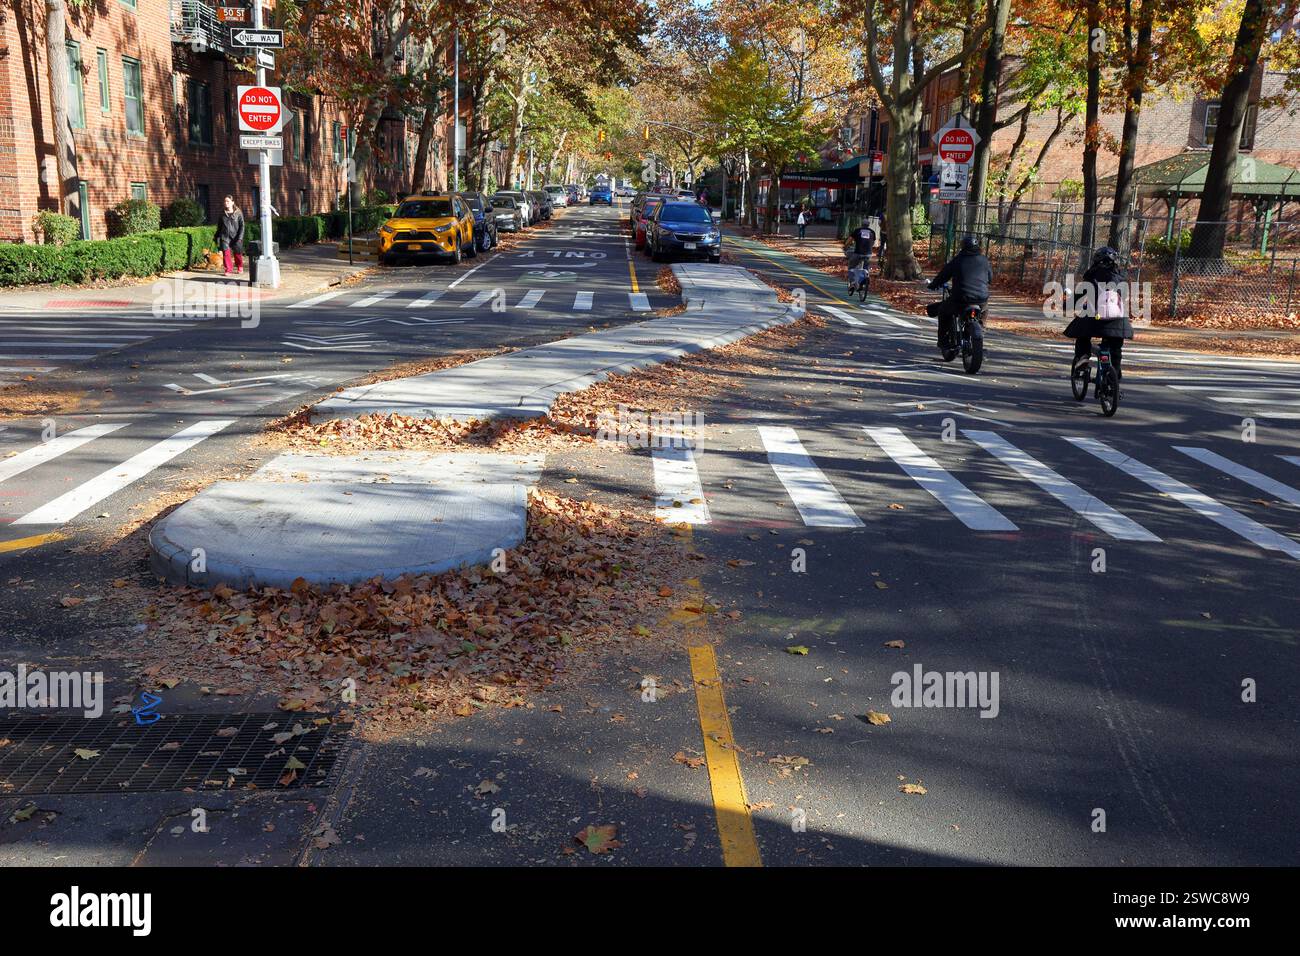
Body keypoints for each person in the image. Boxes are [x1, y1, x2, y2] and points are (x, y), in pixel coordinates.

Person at [1066, 245, 1132, 384]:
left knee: (1082, 335)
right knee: (1115, 347)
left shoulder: (1091, 277)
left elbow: (1077, 298)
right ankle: (1114, 374)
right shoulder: (1121, 279)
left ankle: (1083, 359)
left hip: (1093, 318)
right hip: (1116, 320)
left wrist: (1067, 305)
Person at [927, 235, 992, 350]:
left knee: (943, 311)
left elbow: (943, 275)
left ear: (963, 247)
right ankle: (980, 329)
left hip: (960, 299)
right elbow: (990, 278)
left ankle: (943, 341)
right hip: (981, 299)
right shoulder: (984, 260)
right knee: (985, 310)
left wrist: (933, 285)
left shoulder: (958, 260)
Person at [216, 196, 246, 276]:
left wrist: (240, 237)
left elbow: (242, 226)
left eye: (228, 201)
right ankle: (228, 269)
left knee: (237, 253)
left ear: (232, 202)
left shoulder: (238, 213)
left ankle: (239, 266)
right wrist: (216, 236)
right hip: (225, 237)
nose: (226, 203)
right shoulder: (222, 213)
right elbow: (219, 226)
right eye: (225, 201)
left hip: (236, 237)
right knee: (226, 253)